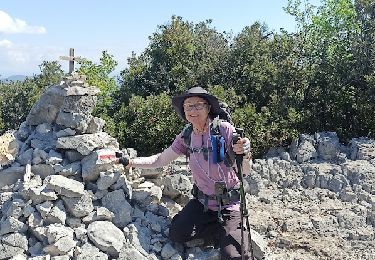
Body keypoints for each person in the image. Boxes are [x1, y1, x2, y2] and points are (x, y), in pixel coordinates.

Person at [118, 86, 252, 259]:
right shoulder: (186, 136)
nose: (193, 110)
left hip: (229, 205)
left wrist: (245, 154)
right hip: (203, 204)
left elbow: (245, 171)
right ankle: (221, 230)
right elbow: (160, 160)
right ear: (183, 110)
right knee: (177, 233)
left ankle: (231, 229)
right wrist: (130, 162)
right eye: (188, 106)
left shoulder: (224, 130)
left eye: (198, 105)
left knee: (235, 256)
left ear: (208, 107)